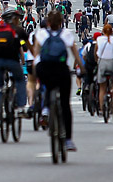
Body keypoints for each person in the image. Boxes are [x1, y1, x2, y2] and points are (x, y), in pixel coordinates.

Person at [33, 10, 84, 152]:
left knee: (48, 88)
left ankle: (46, 110)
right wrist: (81, 69)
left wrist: (34, 70)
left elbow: (36, 53)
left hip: (44, 68)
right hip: (61, 69)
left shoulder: (41, 34)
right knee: (65, 105)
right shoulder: (66, 34)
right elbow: (75, 54)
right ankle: (68, 140)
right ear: (61, 22)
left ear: (48, 23)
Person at [0, 9, 30, 129]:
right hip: (12, 61)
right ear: (14, 19)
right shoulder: (18, 30)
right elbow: (27, 48)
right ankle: (21, 108)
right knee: (21, 81)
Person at [97, 23, 113, 110]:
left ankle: (102, 108)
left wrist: (97, 60)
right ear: (112, 31)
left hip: (102, 62)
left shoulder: (99, 39)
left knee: (102, 87)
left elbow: (96, 52)